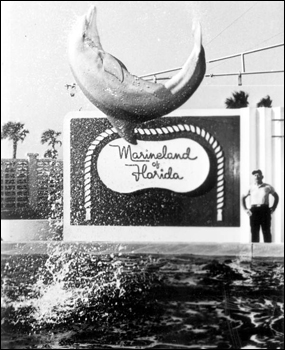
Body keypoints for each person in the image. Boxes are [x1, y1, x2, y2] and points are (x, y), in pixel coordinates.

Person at [242, 170, 279, 243]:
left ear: (262, 177)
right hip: (254, 210)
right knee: (254, 232)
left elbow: (276, 197)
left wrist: (273, 207)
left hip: (264, 210)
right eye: (255, 175)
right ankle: (255, 253)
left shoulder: (267, 187)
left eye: (258, 175)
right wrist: (246, 209)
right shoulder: (250, 187)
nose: (256, 177)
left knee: (266, 232)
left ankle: (268, 253)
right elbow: (243, 198)